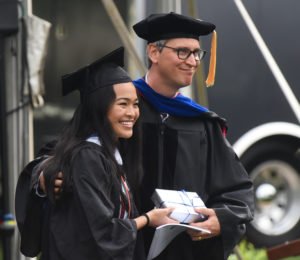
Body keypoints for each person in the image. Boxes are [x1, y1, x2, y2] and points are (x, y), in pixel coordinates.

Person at [15, 47, 176, 260]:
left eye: (135, 105)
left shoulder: (110, 153)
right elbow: (104, 232)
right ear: (99, 108)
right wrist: (148, 218)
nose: (132, 113)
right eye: (123, 104)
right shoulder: (87, 156)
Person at [130, 12, 254, 260]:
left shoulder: (201, 122)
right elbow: (66, 153)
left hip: (185, 251)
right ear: (154, 53)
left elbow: (237, 190)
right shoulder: (122, 108)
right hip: (128, 247)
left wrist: (221, 218)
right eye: (183, 52)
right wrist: (50, 176)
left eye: (197, 52)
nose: (194, 61)